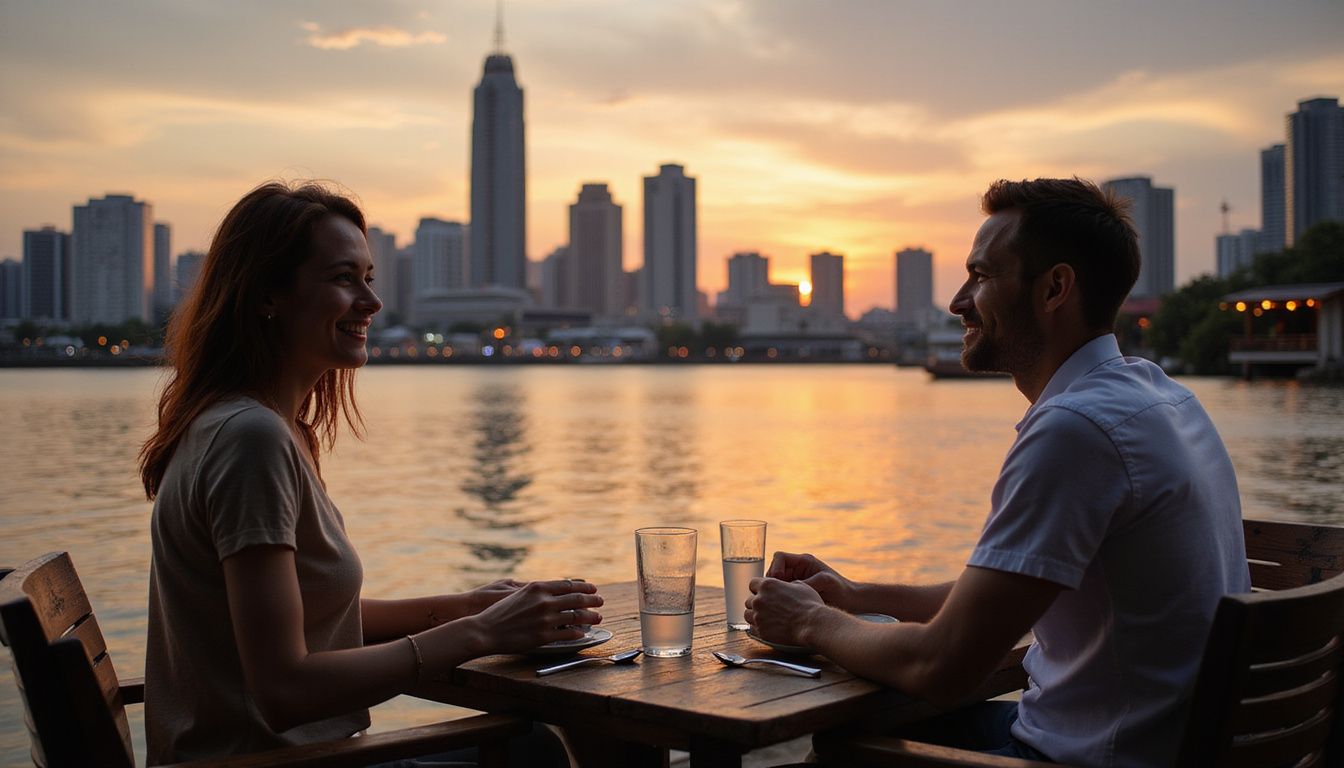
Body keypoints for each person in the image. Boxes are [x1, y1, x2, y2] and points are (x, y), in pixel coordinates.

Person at [745, 178, 1249, 767]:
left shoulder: (1075, 430)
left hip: (1098, 755)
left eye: (982, 276)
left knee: (843, 753)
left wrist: (812, 622)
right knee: (861, 730)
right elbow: (1002, 597)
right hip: (1157, 743)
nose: (959, 302)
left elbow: (942, 667)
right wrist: (858, 595)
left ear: (1055, 288)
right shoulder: (1164, 399)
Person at [139, 181, 599, 765]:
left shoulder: (256, 428)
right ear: (267, 296)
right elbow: (284, 689)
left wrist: (467, 606)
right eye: (342, 278)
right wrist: (481, 636)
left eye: (369, 278)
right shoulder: (249, 441)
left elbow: (310, 618)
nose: (372, 302)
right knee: (535, 752)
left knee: (536, 742)